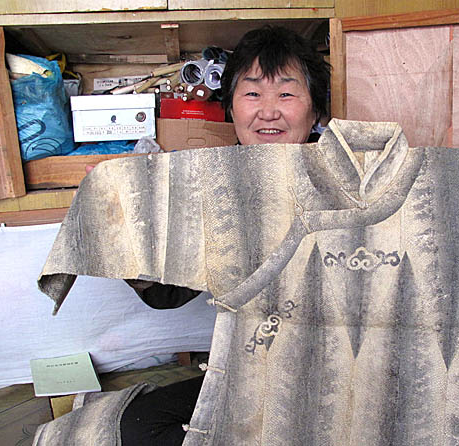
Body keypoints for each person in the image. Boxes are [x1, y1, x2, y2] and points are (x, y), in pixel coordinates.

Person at [118, 25, 331, 446]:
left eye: (286, 94)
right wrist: (133, 222)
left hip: (340, 371)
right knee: (141, 427)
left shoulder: (346, 180)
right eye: (252, 93)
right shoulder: (214, 185)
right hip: (249, 372)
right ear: (231, 108)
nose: (268, 111)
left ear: (315, 112)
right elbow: (165, 294)